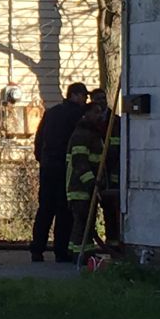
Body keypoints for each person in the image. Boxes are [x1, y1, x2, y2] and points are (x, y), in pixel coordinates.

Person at [30, 82, 88, 262]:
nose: (85, 100)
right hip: (65, 167)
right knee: (64, 210)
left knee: (45, 209)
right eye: (84, 96)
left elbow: (39, 139)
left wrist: (42, 159)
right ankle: (61, 251)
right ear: (75, 95)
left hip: (48, 166)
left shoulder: (52, 113)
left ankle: (37, 249)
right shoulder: (78, 115)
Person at [66, 103, 107, 259]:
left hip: (87, 187)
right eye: (96, 112)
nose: (99, 116)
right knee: (83, 222)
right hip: (80, 187)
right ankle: (81, 255)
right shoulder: (82, 135)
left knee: (85, 224)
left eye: (101, 112)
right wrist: (92, 183)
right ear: (86, 114)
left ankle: (79, 252)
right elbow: (80, 162)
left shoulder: (93, 133)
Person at [90, 88, 121, 247]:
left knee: (111, 210)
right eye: (97, 99)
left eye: (103, 98)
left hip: (111, 172)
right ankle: (88, 243)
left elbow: (119, 148)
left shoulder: (116, 122)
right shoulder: (88, 122)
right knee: (88, 211)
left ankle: (113, 243)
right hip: (93, 172)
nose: (101, 102)